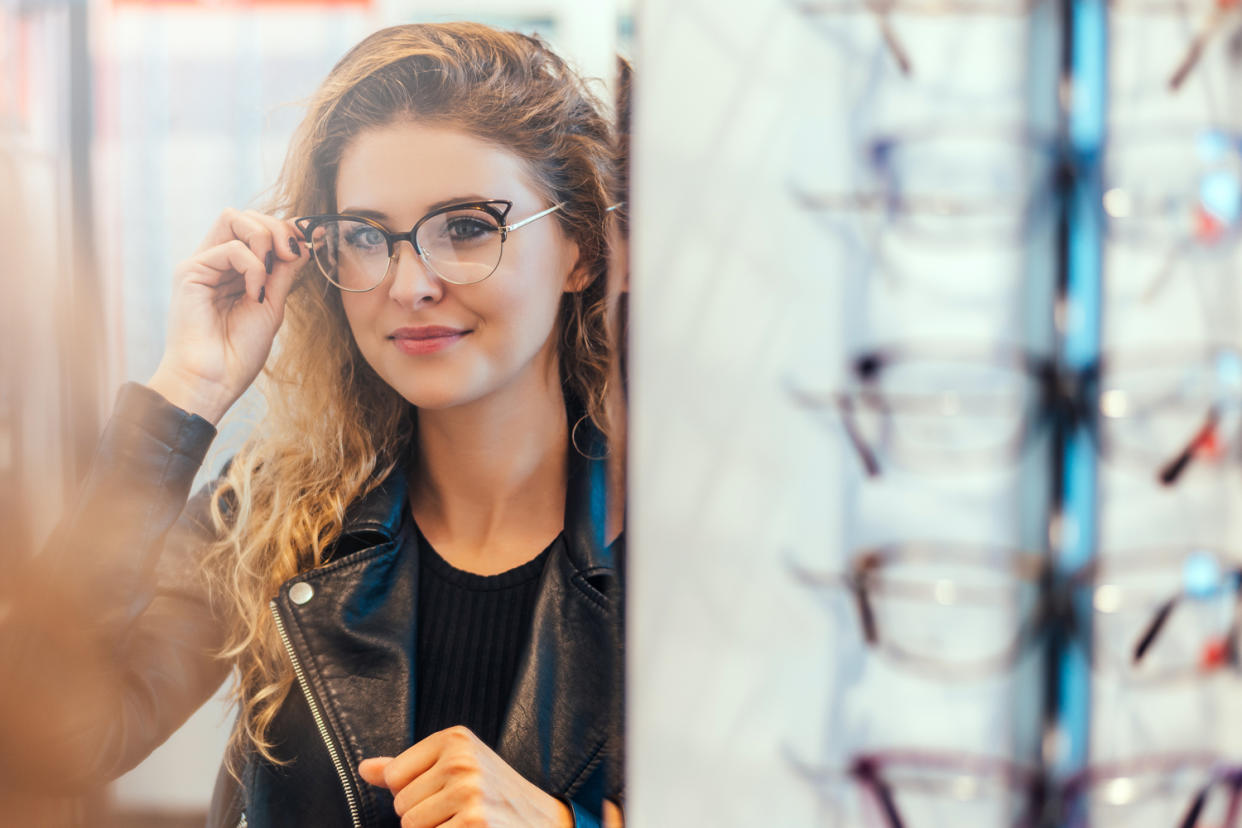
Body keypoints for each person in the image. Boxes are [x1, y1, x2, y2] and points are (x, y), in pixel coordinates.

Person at [17, 21, 627, 828]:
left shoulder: (689, 545)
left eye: (469, 228)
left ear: (580, 249)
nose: (409, 284)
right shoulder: (276, 513)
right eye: (367, 237)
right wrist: (186, 392)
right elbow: (42, 732)